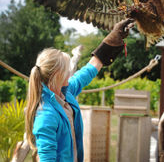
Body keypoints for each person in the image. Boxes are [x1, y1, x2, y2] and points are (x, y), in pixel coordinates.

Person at [25, 19, 134, 162]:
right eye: (67, 68)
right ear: (57, 75)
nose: (70, 71)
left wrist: (111, 39)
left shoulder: (65, 92)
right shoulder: (46, 116)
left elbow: (87, 71)